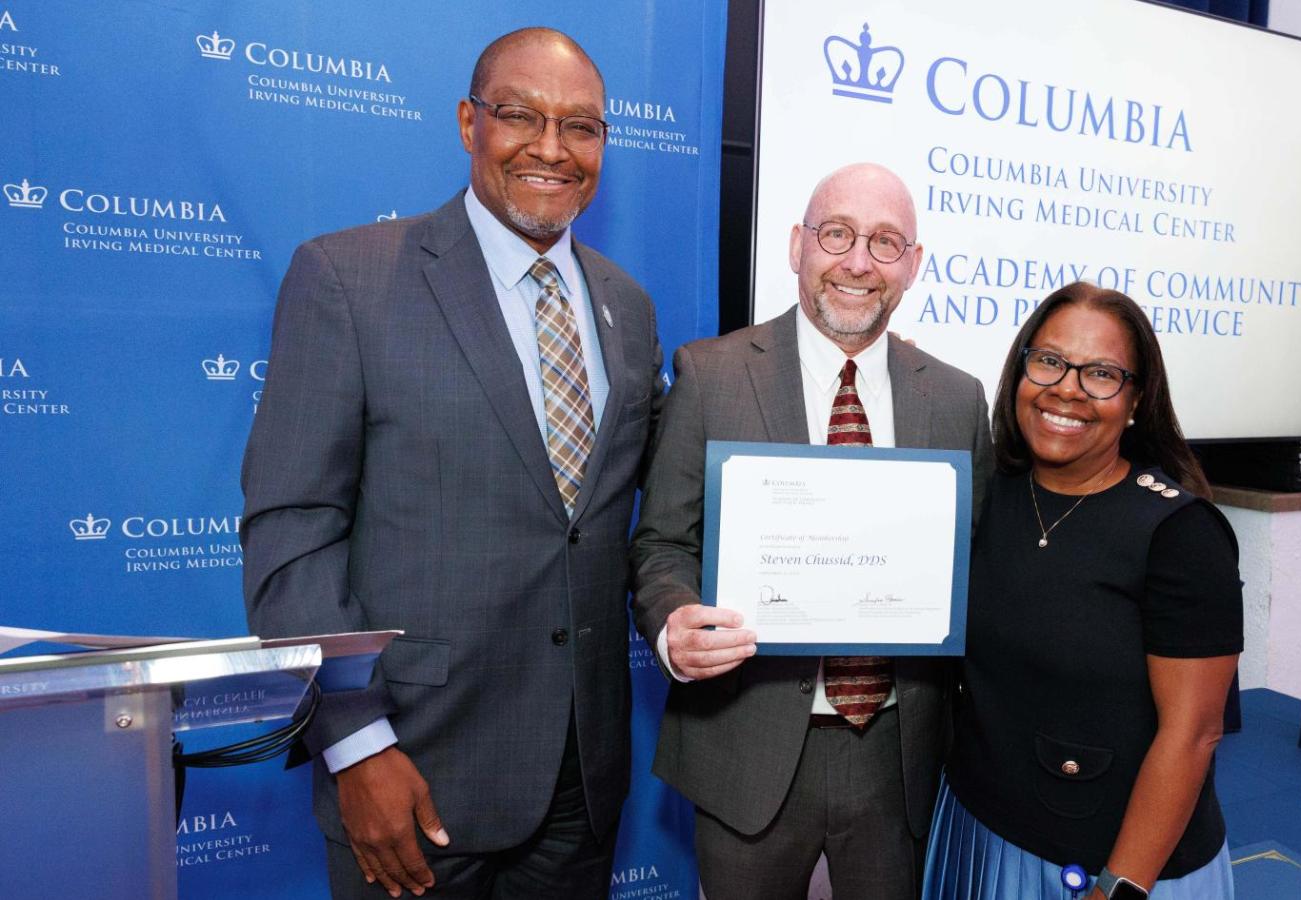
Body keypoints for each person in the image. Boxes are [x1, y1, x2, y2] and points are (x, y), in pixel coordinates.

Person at [240, 27, 664, 899]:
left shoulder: (627, 305)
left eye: (581, 127)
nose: (552, 148)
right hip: (411, 770)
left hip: (580, 785)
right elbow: (292, 532)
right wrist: (356, 743)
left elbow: (620, 517)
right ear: (470, 122)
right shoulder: (347, 278)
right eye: (520, 116)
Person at [630, 162, 994, 899]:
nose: (858, 262)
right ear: (797, 245)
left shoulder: (958, 399)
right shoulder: (711, 375)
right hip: (746, 743)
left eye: (885, 242)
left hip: (898, 756)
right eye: (837, 234)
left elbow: (975, 567)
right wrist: (675, 626)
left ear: (914, 266)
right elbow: (662, 543)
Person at [924, 283, 1242, 900]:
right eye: (1048, 361)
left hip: (1110, 868)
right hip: (979, 834)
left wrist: (1119, 887)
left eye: (1100, 373)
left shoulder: (1180, 533)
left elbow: (1194, 732)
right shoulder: (992, 493)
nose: (1066, 388)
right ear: (1021, 370)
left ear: (1135, 399)